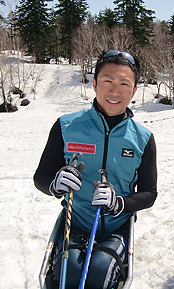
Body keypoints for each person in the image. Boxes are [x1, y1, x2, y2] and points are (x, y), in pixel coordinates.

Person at [34, 50, 157, 289]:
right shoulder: (66, 126)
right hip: (75, 224)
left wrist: (119, 203)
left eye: (124, 84)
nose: (115, 91)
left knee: (100, 272)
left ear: (134, 91)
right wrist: (54, 184)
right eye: (107, 81)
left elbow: (149, 193)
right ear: (94, 83)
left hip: (116, 228)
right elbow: (41, 177)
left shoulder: (143, 138)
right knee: (70, 277)